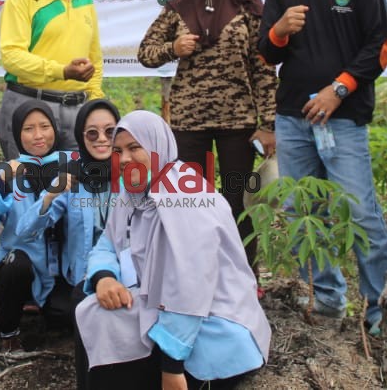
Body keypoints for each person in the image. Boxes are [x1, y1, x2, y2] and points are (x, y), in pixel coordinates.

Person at [257, 0, 387, 334]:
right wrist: (280, 31)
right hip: (293, 117)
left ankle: (386, 312)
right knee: (304, 209)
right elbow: (265, 53)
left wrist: (337, 90)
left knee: (360, 212)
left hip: (342, 117)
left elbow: (379, 45)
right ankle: (326, 300)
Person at [75, 110, 271, 390]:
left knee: (104, 327)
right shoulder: (134, 189)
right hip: (164, 304)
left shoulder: (185, 197)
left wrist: (172, 367)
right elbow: (107, 242)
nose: (126, 158)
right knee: (90, 310)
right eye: (118, 151)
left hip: (213, 323)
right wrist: (103, 276)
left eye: (134, 147)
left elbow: (189, 287)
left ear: (157, 147)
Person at [138, 0, 277, 267]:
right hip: (189, 123)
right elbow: (146, 52)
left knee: (238, 200)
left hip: (237, 123)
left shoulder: (246, 5)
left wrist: (270, 124)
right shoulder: (179, 6)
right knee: (190, 200)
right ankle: (194, 272)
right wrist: (173, 48)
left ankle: (243, 275)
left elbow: (263, 69)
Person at [15, 99, 121, 388]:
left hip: (124, 273)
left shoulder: (131, 176)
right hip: (79, 276)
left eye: (110, 132)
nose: (102, 140)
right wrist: (49, 195)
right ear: (79, 136)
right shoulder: (71, 177)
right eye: (92, 133)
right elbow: (25, 232)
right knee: (70, 310)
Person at [0, 101, 73, 351]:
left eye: (45, 126)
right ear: (16, 134)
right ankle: (8, 333)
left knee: (64, 315)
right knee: (18, 265)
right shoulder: (8, 172)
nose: (38, 136)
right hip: (17, 266)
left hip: (59, 270)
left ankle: (49, 313)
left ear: (55, 129)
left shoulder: (70, 166)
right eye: (28, 129)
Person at [0, 0, 104, 156]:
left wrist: (95, 102)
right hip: (29, 106)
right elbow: (12, 57)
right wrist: (62, 71)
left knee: (77, 186)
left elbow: (94, 59)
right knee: (28, 186)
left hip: (77, 110)